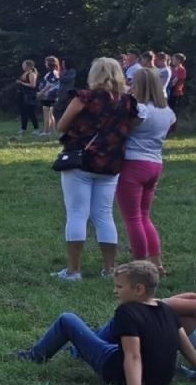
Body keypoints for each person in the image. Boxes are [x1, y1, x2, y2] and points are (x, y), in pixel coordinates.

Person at [16, 260, 196, 385]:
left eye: (119, 286)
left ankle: (34, 357)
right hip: (161, 380)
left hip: (116, 371)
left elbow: (133, 357)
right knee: (102, 338)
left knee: (67, 320)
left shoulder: (126, 312)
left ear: (139, 289)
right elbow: (189, 351)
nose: (114, 291)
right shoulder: (167, 310)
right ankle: (78, 350)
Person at [51, 57, 137, 281]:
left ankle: (73, 270)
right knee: (104, 214)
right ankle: (109, 269)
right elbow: (132, 126)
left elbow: (61, 125)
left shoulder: (84, 98)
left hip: (81, 160)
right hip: (111, 163)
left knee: (77, 213)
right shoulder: (127, 101)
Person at [117, 65, 176, 272]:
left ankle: (140, 265)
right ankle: (157, 262)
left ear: (139, 85)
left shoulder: (141, 110)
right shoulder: (168, 111)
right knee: (144, 215)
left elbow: (123, 127)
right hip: (155, 163)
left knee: (132, 218)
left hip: (133, 163)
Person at [14, 59, 40, 134]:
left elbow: (33, 85)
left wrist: (21, 83)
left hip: (29, 95)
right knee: (23, 112)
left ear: (28, 66)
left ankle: (36, 129)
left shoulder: (32, 74)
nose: (22, 66)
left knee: (31, 112)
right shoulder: (25, 73)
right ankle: (23, 128)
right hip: (22, 94)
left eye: (24, 65)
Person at [38, 56, 62, 134]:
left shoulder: (53, 72)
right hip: (51, 95)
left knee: (46, 113)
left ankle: (46, 131)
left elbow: (50, 84)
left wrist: (42, 92)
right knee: (50, 113)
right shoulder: (54, 72)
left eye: (46, 62)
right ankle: (53, 131)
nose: (45, 64)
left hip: (50, 95)